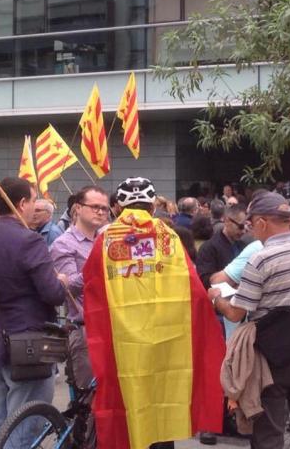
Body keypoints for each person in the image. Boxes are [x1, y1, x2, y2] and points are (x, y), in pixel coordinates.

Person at [84, 177, 224, 449]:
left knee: (128, 402)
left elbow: (91, 284)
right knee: (162, 404)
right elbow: (192, 287)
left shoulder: (106, 239)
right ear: (151, 206)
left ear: (117, 208)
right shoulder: (167, 237)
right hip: (166, 340)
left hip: (124, 343)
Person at [209, 191, 290, 449]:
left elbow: (237, 312)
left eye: (251, 224)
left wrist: (216, 298)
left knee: (269, 434)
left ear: (262, 222)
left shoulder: (260, 259)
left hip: (273, 359)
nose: (251, 230)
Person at [0, 177, 67, 449]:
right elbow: (53, 294)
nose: (35, 206)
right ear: (22, 203)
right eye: (33, 201)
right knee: (24, 426)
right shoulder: (29, 241)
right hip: (28, 346)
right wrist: (62, 281)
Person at [50, 185, 111, 390]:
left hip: (113, 326)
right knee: (90, 397)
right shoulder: (63, 244)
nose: (100, 212)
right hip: (85, 329)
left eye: (104, 208)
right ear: (77, 208)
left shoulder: (107, 241)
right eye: (94, 206)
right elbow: (69, 289)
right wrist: (99, 264)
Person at [196, 204, 247, 289]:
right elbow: (205, 281)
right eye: (241, 227)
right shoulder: (208, 248)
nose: (244, 231)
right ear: (227, 221)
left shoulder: (244, 245)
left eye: (247, 226)